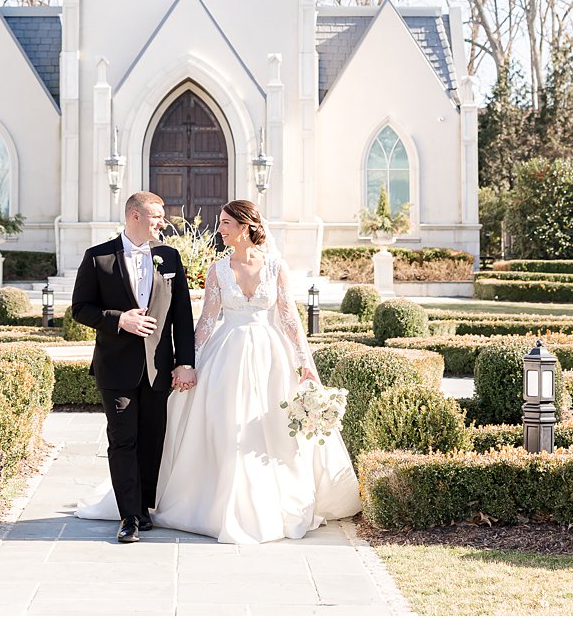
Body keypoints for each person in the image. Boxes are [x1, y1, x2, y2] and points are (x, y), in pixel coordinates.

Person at [76, 198, 363, 544]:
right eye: (220, 222)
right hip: (225, 355)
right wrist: (189, 364)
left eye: (226, 223)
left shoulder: (272, 266)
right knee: (219, 427)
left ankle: (265, 503)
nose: (219, 229)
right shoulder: (217, 270)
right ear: (135, 216)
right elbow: (205, 322)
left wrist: (306, 364)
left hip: (270, 357)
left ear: (245, 227)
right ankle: (135, 513)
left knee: (263, 430)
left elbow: (289, 319)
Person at [70, 191, 197, 544]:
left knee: (153, 440)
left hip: (159, 368)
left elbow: (182, 315)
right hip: (116, 367)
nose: (163, 222)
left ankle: (143, 507)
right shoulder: (98, 259)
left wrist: (185, 361)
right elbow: (80, 308)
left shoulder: (169, 257)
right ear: (134, 216)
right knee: (123, 440)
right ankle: (128, 517)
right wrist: (118, 319)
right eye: (157, 216)